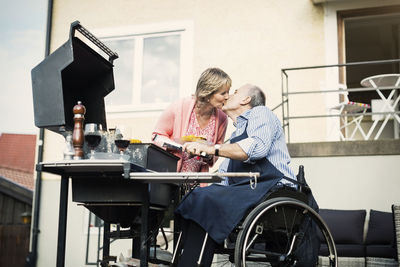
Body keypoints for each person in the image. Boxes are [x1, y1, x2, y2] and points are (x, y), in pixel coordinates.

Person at [174, 84, 300, 267]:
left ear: (245, 99)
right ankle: (188, 261)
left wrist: (210, 148)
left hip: (273, 187)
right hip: (252, 188)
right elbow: (226, 175)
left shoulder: (260, 113)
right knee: (194, 197)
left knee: (206, 198)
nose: (227, 96)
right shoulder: (237, 133)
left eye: (234, 92)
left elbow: (257, 148)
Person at [152, 67, 231, 172]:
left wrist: (206, 153)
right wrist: (180, 146)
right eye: (223, 93)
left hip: (197, 182)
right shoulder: (179, 107)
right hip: (170, 176)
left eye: (228, 92)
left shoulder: (222, 118)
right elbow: (156, 137)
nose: (227, 97)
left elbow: (217, 150)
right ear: (208, 93)